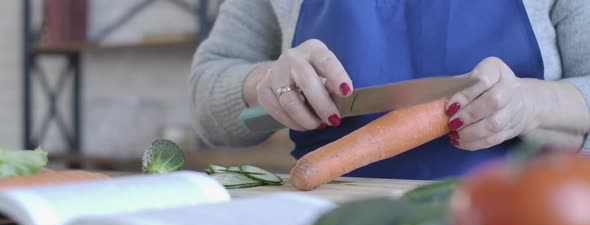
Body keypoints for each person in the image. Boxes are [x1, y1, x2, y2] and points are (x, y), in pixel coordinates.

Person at [190, 0, 590, 180]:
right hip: (326, 218)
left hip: (522, 213)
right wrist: (265, 84)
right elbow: (205, 103)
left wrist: (532, 105)